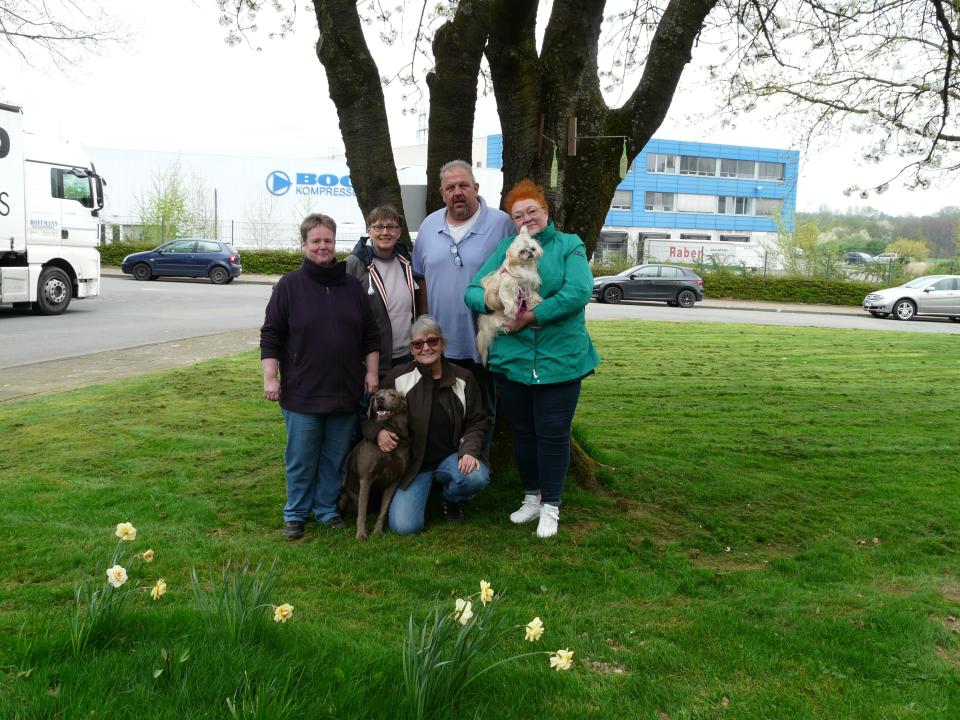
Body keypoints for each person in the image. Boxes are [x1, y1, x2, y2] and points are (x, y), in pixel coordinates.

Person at [464, 179, 599, 538]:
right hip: (513, 361)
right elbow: (473, 291)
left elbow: (579, 291)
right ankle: (531, 498)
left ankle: (551, 506)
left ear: (546, 212)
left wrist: (532, 316)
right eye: (518, 215)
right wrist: (494, 302)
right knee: (524, 434)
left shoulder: (570, 246)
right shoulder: (506, 248)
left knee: (553, 434)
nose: (526, 219)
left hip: (560, 360)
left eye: (532, 211)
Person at [260, 213, 380, 540]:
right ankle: (296, 514)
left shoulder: (352, 287)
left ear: (334, 243)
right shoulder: (289, 287)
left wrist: (371, 373)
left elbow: (370, 335)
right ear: (304, 245)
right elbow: (271, 335)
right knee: (301, 459)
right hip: (302, 394)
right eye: (316, 241)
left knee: (334, 459)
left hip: (345, 390)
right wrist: (271, 378)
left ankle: (326, 509)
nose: (323, 246)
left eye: (328, 240)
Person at [414, 160, 514, 455]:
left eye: (463, 186)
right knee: (438, 410)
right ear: (442, 193)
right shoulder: (429, 225)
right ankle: (442, 470)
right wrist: (423, 323)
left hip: (483, 341)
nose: (457, 192)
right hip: (437, 341)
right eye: (450, 188)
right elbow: (421, 278)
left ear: (476, 188)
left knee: (481, 409)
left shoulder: (500, 223)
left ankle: (475, 468)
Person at [365, 314, 489, 535]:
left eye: (432, 341)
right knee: (404, 527)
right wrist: (378, 433)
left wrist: (469, 451)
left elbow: (477, 420)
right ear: (412, 349)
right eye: (418, 344)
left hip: (450, 459)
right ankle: (423, 494)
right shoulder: (398, 376)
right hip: (413, 465)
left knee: (476, 477)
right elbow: (371, 414)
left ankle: (450, 498)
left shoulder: (464, 378)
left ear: (443, 343)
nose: (426, 348)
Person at [345, 205, 420, 379]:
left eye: (391, 227)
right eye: (378, 227)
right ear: (369, 231)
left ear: (399, 232)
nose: (385, 232)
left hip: (407, 355)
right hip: (371, 360)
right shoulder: (354, 264)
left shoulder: (408, 261)